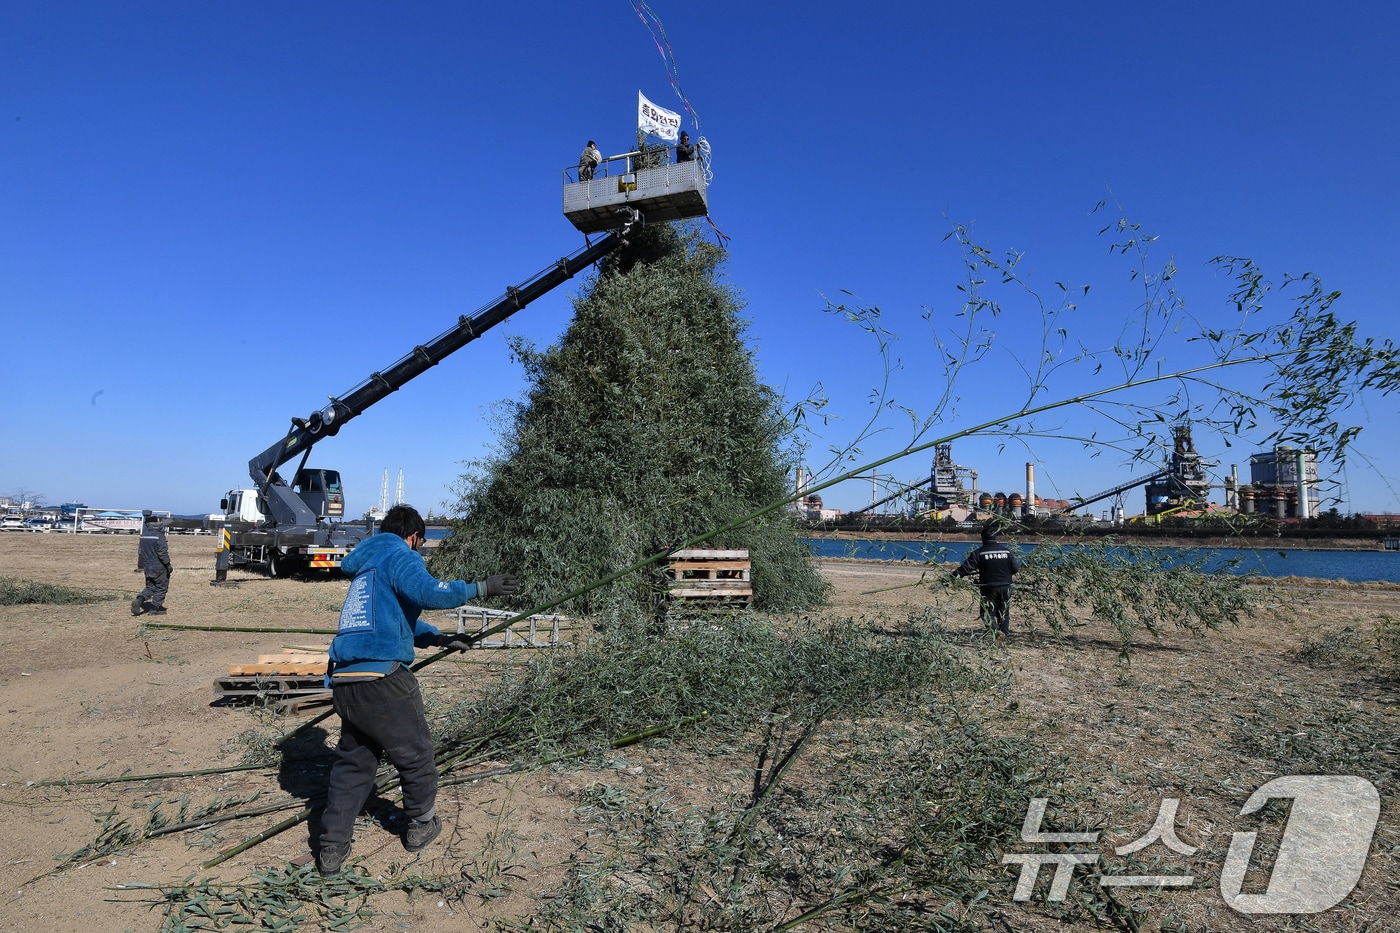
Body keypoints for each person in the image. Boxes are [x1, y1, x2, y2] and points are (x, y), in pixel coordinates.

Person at [316, 504, 518, 876]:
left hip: (346, 680)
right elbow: (427, 592)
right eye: (420, 544)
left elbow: (397, 618)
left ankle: (331, 847)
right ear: (414, 537)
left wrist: (438, 638)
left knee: (354, 765)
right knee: (416, 755)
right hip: (383, 679)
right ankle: (421, 824)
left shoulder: (367, 566)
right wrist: (481, 587)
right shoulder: (400, 555)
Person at [952, 522, 1020, 636]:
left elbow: (966, 568)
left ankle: (995, 634)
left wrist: (954, 576)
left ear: (983, 538)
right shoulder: (1007, 552)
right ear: (995, 538)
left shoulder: (979, 553)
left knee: (987, 613)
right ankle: (1004, 634)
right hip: (1006, 586)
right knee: (1003, 612)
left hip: (989, 588)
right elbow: (1016, 568)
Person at [131, 510, 172, 616]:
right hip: (159, 566)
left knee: (150, 587)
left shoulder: (143, 536)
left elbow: (141, 552)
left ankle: (139, 600)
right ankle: (155, 609)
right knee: (161, 587)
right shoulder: (159, 536)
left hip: (147, 566)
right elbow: (162, 553)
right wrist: (168, 565)